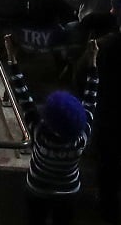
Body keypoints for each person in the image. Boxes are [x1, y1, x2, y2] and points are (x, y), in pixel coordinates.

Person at [23, 91, 90, 225]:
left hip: (38, 189)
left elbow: (25, 102)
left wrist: (15, 72)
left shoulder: (39, 134)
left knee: (36, 220)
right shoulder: (82, 139)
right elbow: (90, 105)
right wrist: (94, 76)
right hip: (68, 192)